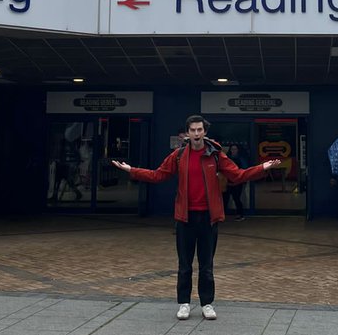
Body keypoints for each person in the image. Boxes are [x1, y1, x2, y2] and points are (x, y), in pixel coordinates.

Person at [112, 115, 280, 320]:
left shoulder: (215, 155)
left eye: (200, 130)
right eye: (193, 130)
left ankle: (207, 303)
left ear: (205, 132)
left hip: (208, 218)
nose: (197, 133)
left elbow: (237, 175)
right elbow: (158, 175)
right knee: (184, 265)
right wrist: (131, 170)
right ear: (187, 133)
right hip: (185, 218)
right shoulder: (178, 156)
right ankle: (184, 303)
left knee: (206, 264)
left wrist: (263, 167)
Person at [223, 143, 247, 219]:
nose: (233, 151)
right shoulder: (227, 158)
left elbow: (244, 169)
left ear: (238, 150)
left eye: (235, 149)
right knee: (225, 199)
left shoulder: (241, 159)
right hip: (228, 182)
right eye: (232, 149)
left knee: (236, 198)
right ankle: (223, 215)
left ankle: (240, 214)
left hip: (237, 182)